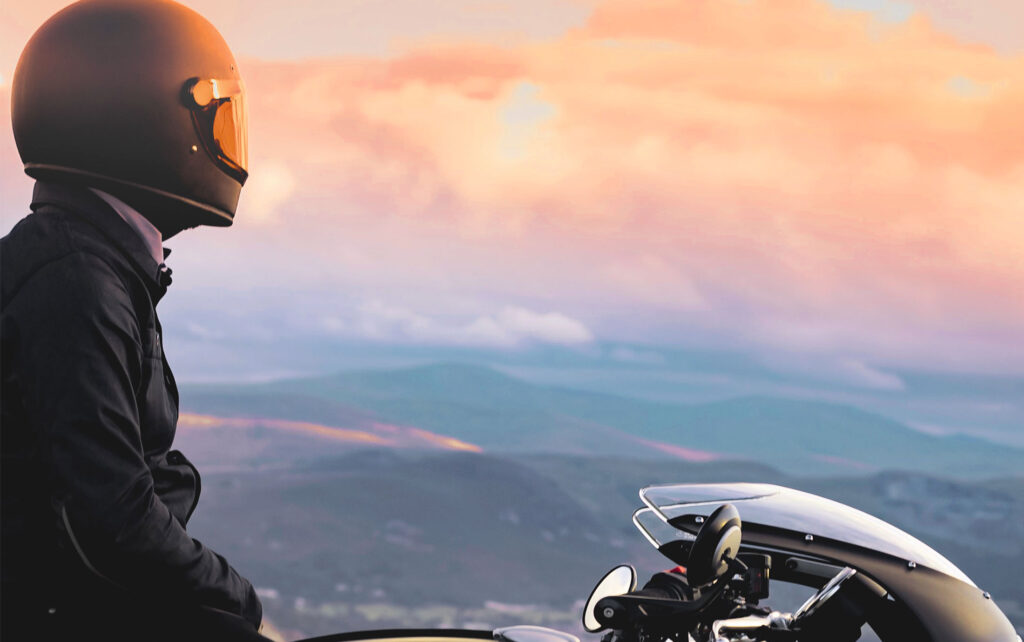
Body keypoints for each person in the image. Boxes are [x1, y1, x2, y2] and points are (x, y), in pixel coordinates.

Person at [1, 1, 266, 639]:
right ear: (141, 120)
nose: (226, 144)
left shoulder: (86, 261)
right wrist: (235, 597)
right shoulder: (76, 282)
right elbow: (109, 517)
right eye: (213, 117)